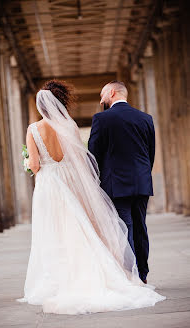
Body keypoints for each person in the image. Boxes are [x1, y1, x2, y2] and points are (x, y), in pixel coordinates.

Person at [16, 80, 166, 315]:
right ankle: (137, 274)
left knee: (55, 232)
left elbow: (35, 165)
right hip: (86, 183)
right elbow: (85, 159)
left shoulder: (34, 130)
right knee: (99, 229)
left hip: (52, 186)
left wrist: (28, 163)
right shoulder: (71, 126)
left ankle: (71, 279)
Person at [88, 80, 155, 284]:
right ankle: (142, 274)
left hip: (116, 184)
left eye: (102, 94)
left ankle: (131, 275)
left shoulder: (102, 119)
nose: (101, 99)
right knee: (140, 227)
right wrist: (142, 175)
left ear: (112, 92)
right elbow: (150, 153)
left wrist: (94, 181)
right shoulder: (145, 118)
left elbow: (93, 154)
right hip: (141, 181)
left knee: (124, 227)